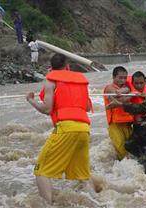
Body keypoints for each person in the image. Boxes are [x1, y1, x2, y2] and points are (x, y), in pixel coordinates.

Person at [26, 54, 96, 204]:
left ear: (51, 68)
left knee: (41, 171)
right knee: (83, 175)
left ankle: (47, 205)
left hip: (65, 128)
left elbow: (46, 109)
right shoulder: (81, 80)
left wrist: (31, 100)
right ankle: (98, 201)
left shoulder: (51, 80)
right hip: (84, 129)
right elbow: (88, 107)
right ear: (68, 66)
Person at [103, 66, 134, 160]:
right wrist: (130, 93)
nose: (123, 80)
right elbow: (120, 98)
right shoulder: (109, 88)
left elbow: (121, 98)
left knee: (131, 150)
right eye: (120, 78)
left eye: (125, 78)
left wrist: (127, 90)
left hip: (128, 123)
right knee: (121, 150)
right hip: (115, 124)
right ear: (113, 77)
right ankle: (121, 171)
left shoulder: (127, 87)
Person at [124, 71, 146, 158]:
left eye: (141, 83)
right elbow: (123, 100)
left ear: (145, 83)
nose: (139, 86)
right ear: (132, 83)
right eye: (136, 83)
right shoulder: (130, 91)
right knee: (129, 145)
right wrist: (131, 95)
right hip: (137, 126)